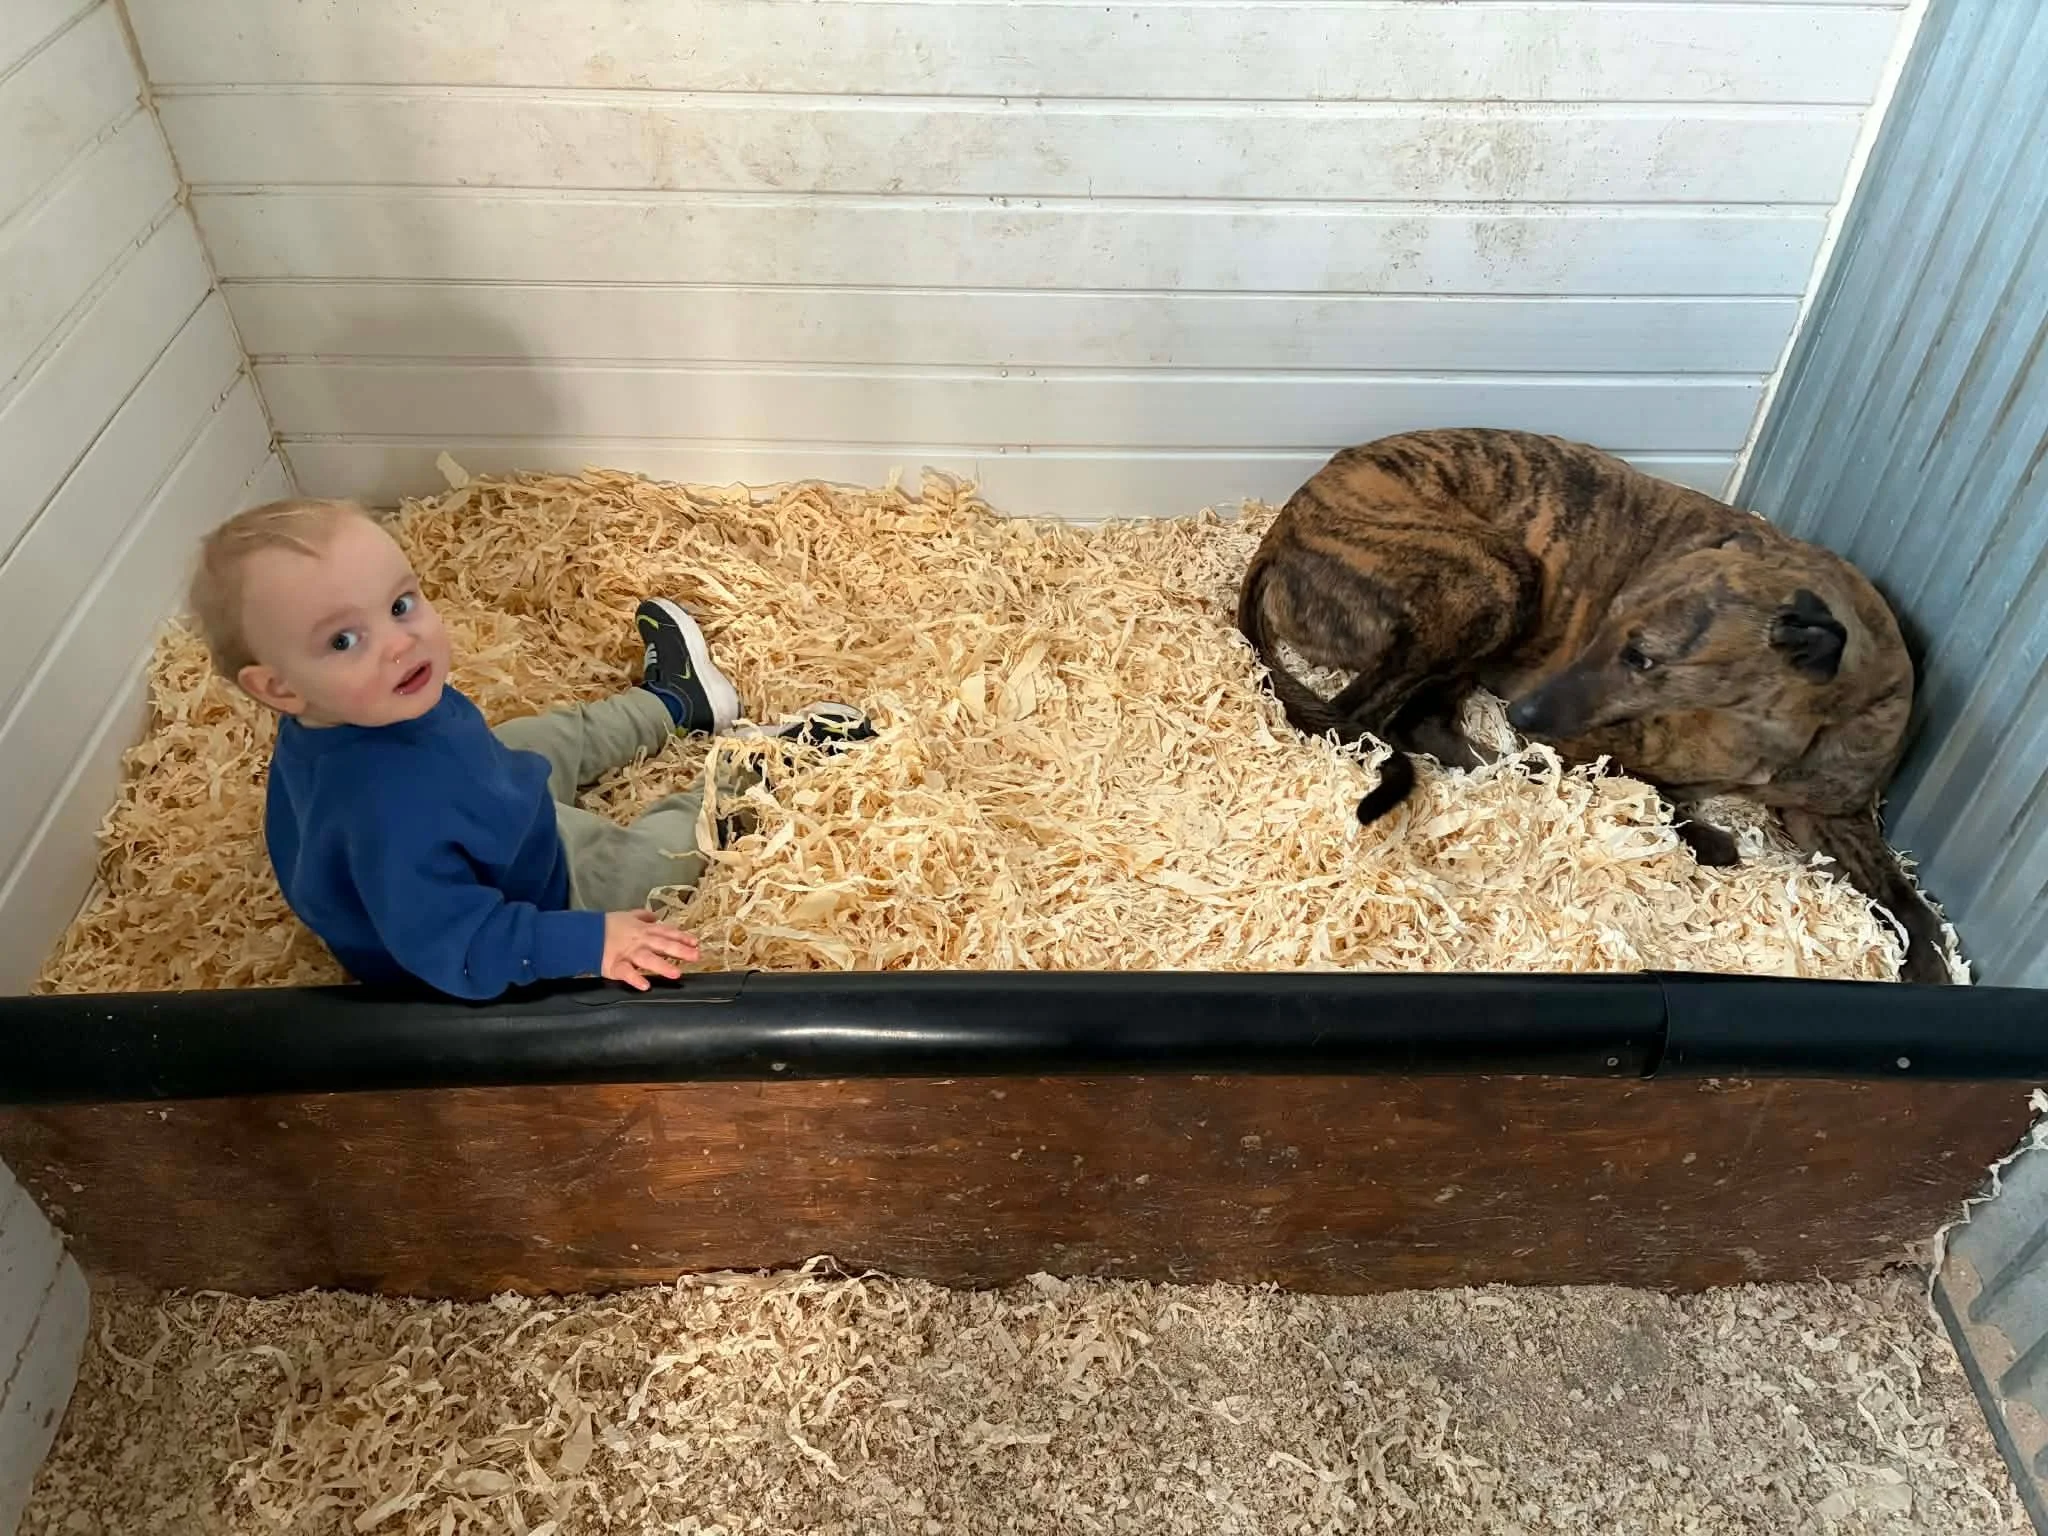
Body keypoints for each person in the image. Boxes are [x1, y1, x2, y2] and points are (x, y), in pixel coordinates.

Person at [187, 497, 872, 1000]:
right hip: (542, 895)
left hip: (489, 812)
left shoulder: (340, 711)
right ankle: (753, 769)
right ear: (277, 687)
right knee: (652, 854)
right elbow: (462, 948)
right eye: (344, 640)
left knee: (534, 741)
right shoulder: (389, 820)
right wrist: (590, 940)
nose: (400, 642)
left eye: (400, 605)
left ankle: (680, 705)